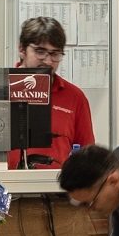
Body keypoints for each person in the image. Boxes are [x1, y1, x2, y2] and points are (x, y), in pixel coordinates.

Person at [8, 16, 94, 169]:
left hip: (57, 183)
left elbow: (87, 154)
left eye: (55, 54)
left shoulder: (75, 97)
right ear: (21, 50)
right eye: (40, 51)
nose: (48, 61)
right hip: (2, 183)